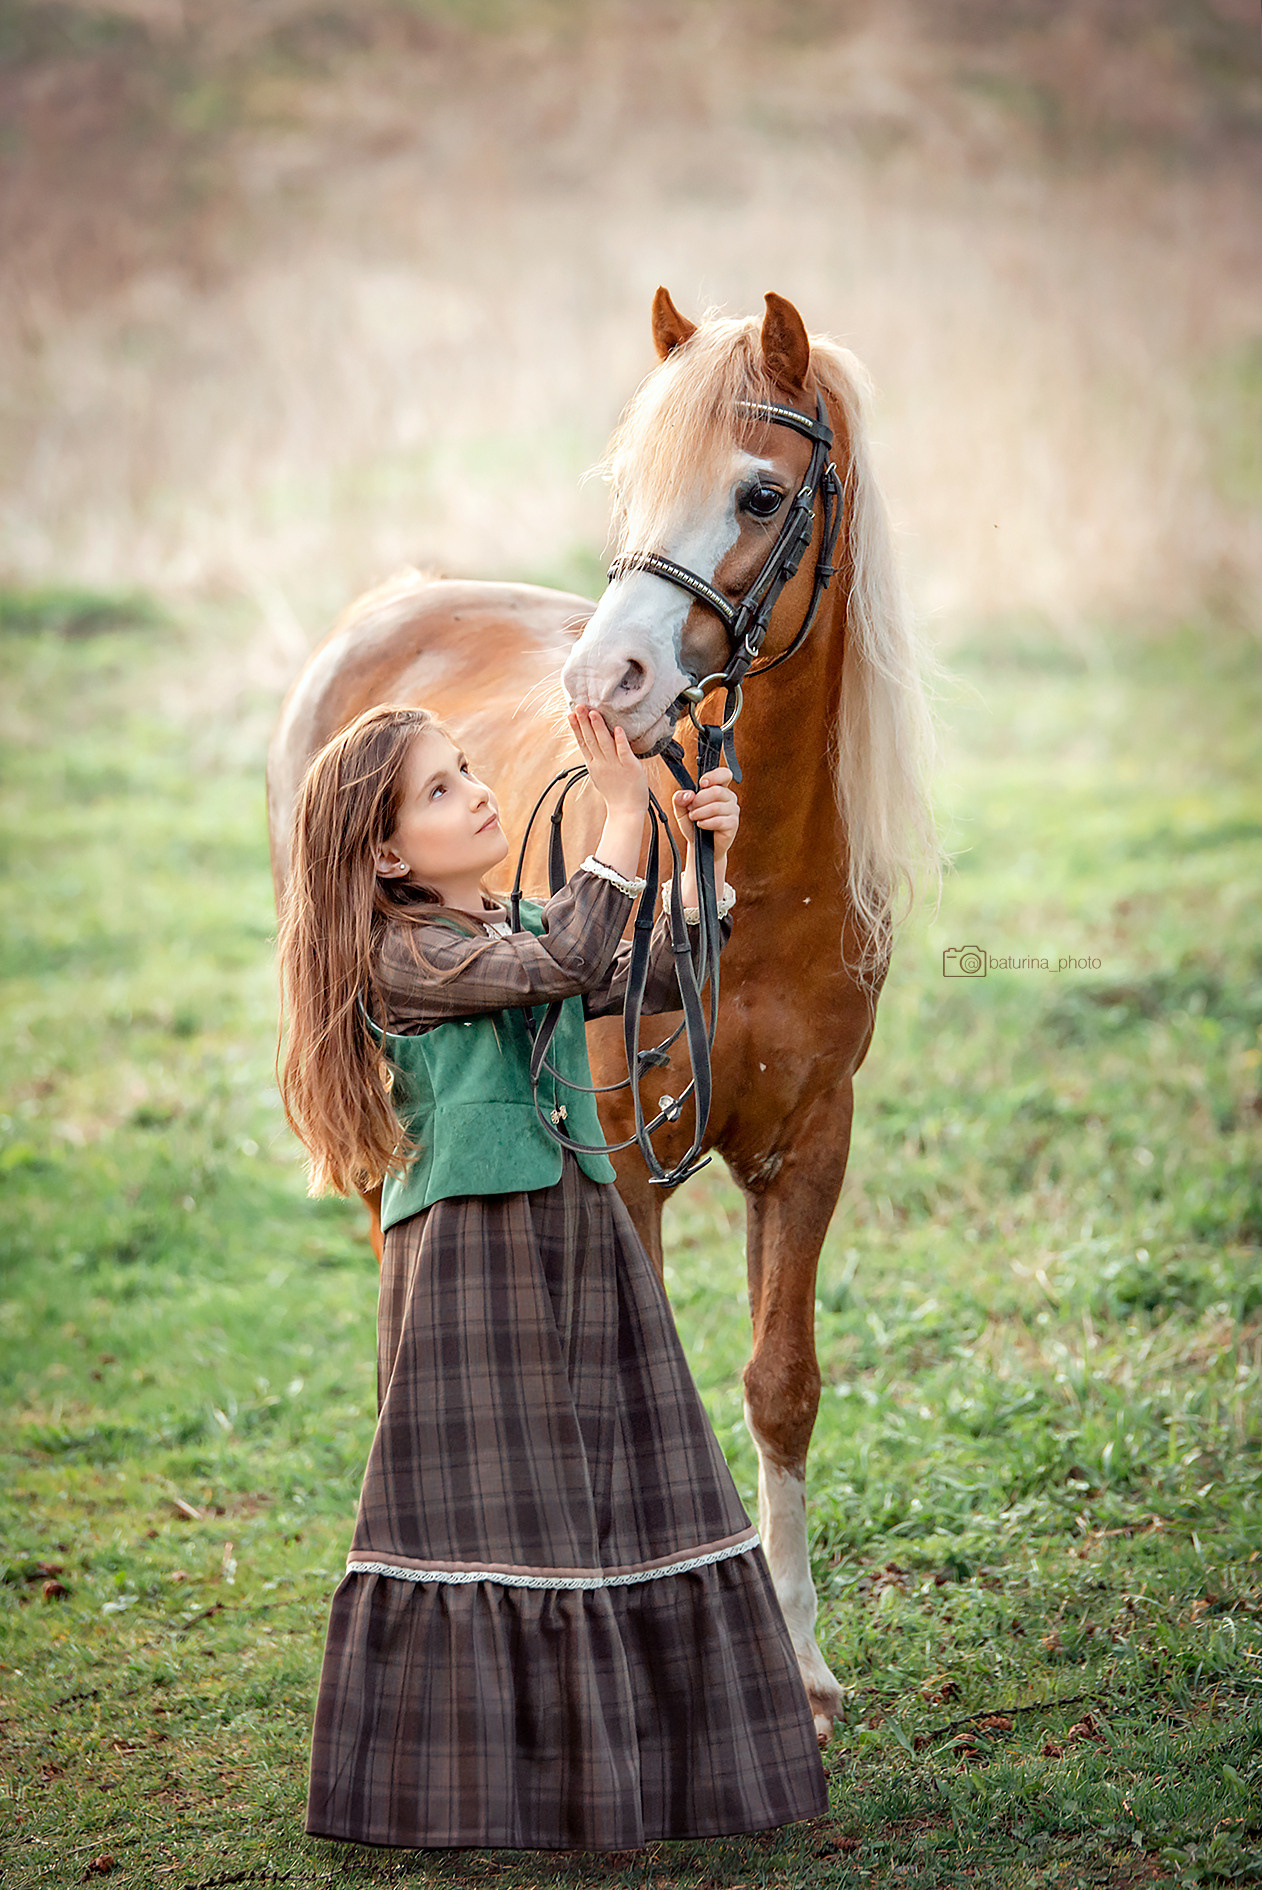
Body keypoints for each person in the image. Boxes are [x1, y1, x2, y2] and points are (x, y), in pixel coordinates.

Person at [276, 700, 829, 1853]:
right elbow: (573, 956)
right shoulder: (407, 950)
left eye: (467, 771)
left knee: (603, 1492)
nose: (477, 791)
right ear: (386, 856)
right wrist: (623, 815)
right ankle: (488, 1788)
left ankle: (621, 1764)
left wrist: (702, 863)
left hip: (576, 1229)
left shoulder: (508, 921)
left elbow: (644, 979)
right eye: (439, 790)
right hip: (471, 1265)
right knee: (503, 1513)